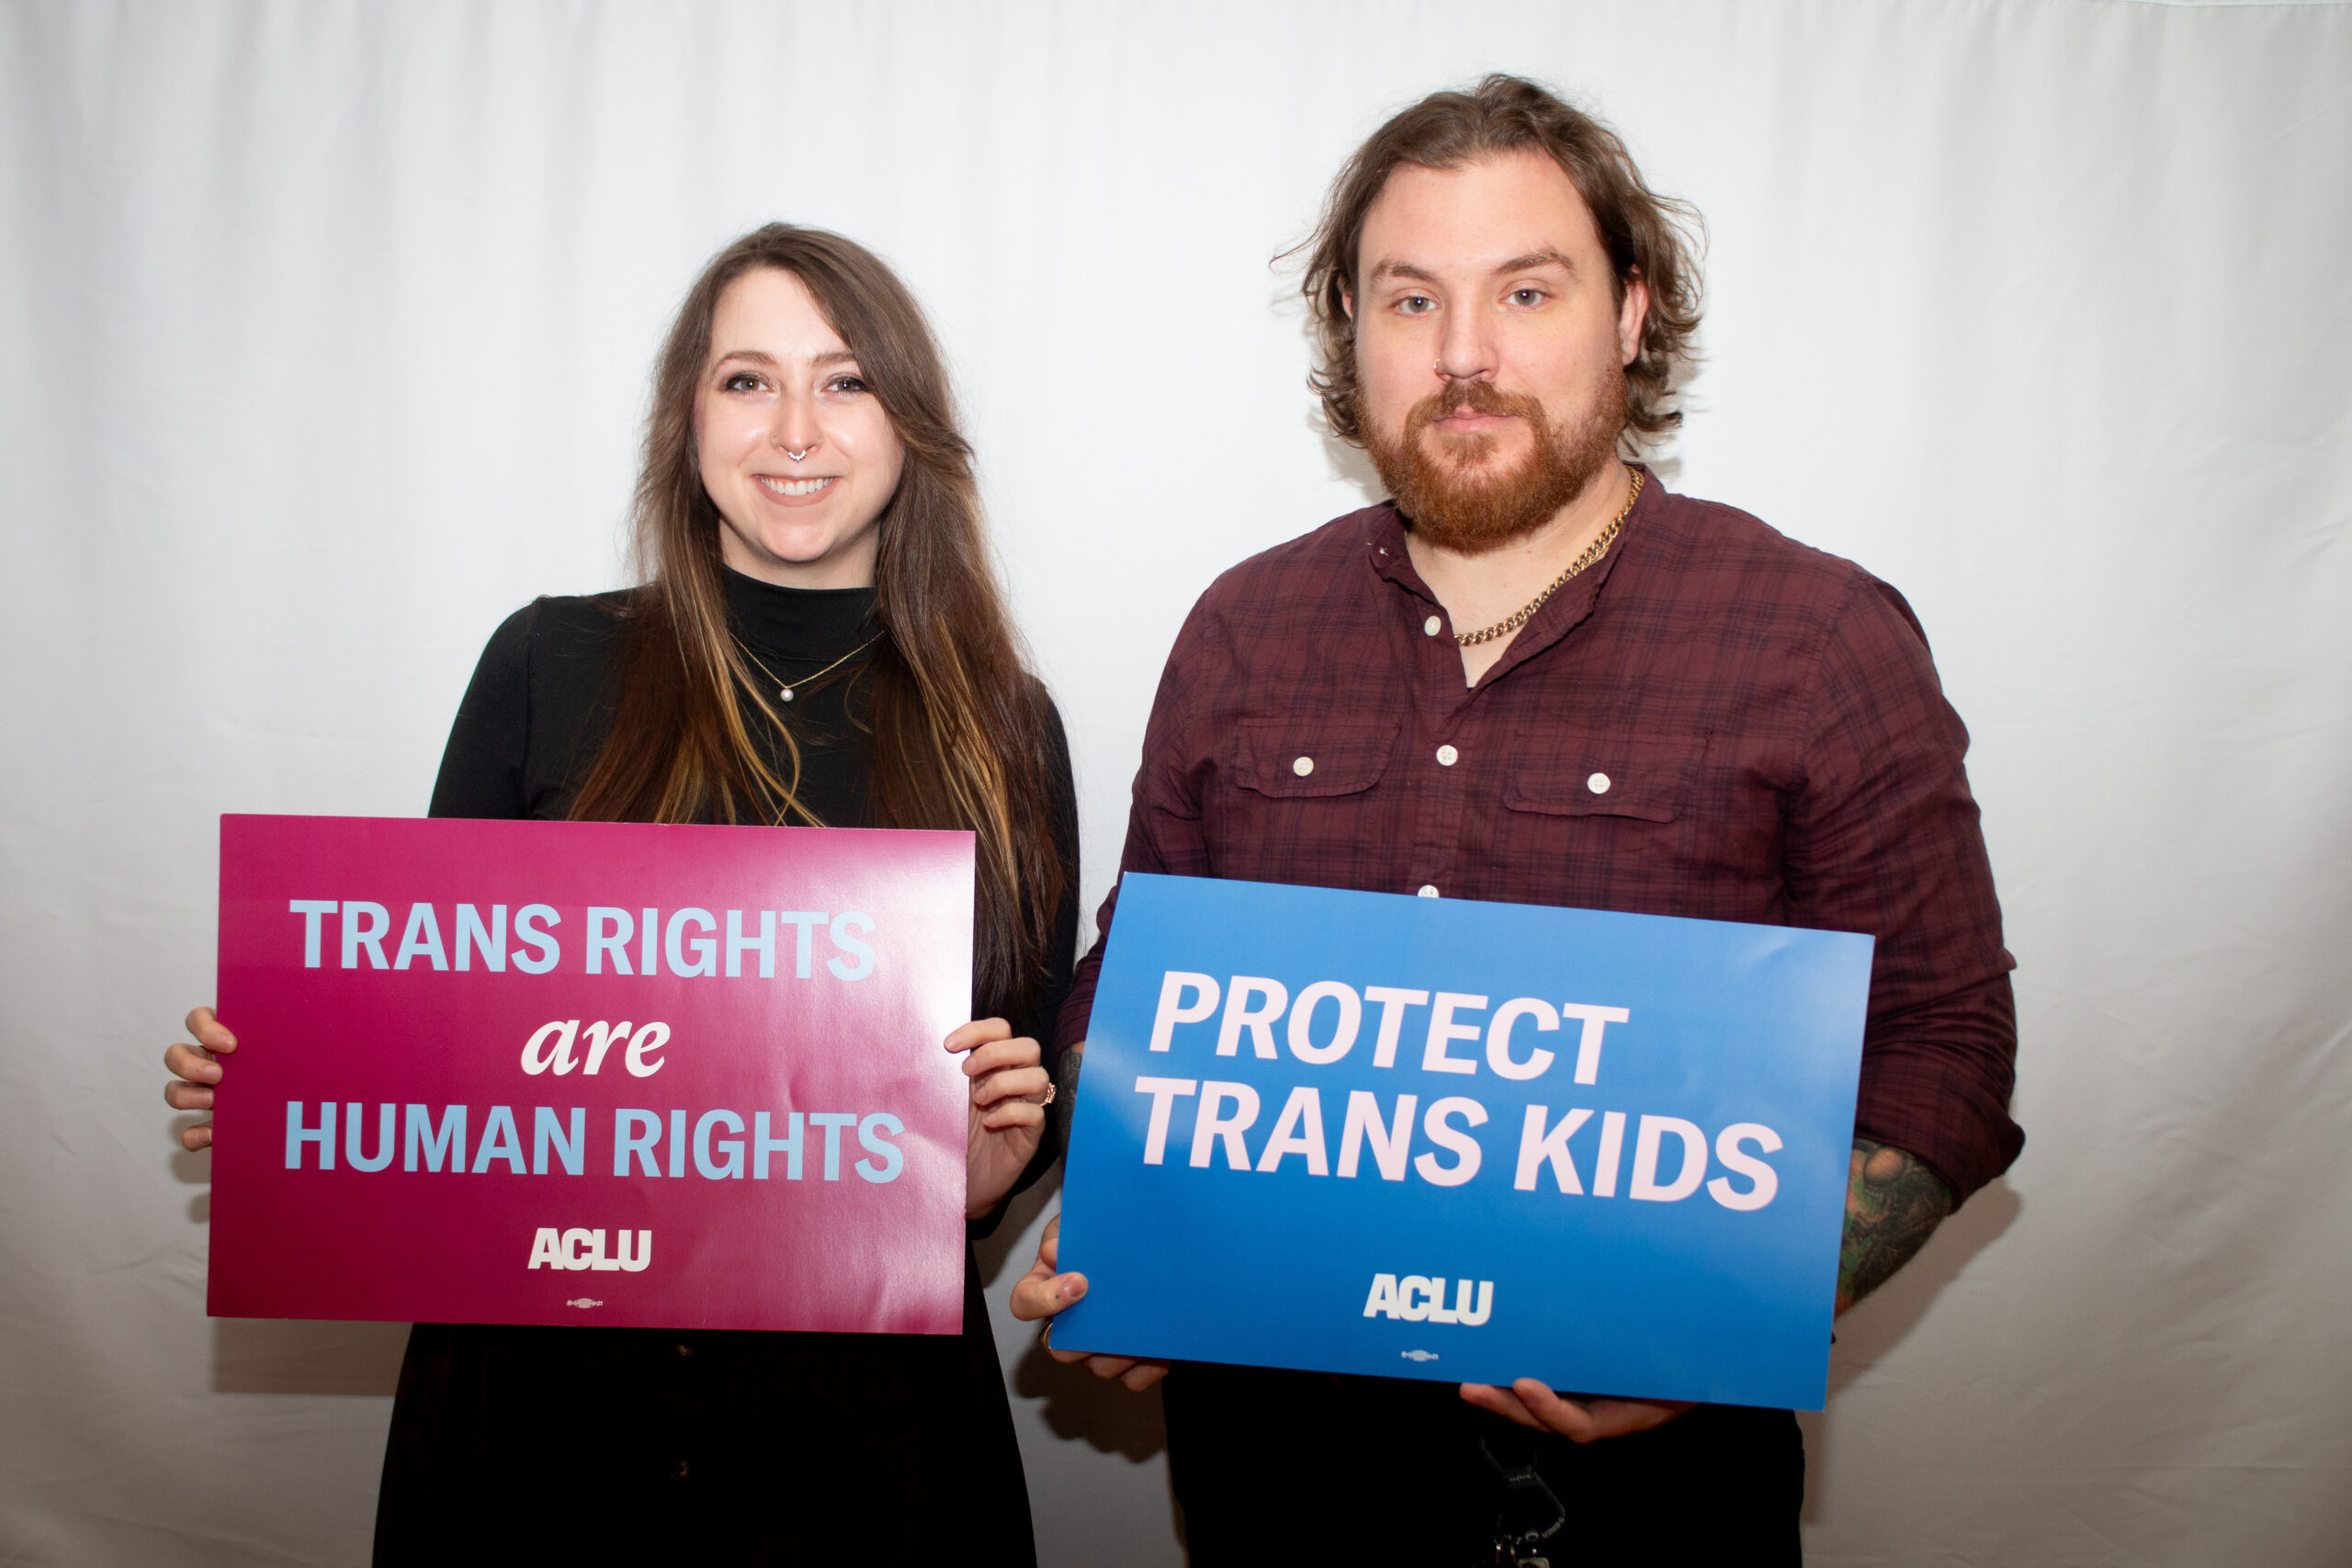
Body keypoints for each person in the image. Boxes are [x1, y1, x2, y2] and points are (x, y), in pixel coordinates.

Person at [1012, 75, 2022, 1563]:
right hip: (1273, 1482)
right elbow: (1135, 989)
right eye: (1410, 300)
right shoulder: (1243, 630)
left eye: (1527, 292)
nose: (1466, 357)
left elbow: (1944, 1052)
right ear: (1347, 329)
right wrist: (1135, 1235)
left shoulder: (1813, 637)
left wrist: (1719, 1326)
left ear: (1630, 310)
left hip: (1642, 1506)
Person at [162, 224, 1076, 1565]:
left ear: (908, 424)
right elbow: (437, 1029)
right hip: (534, 1424)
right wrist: (299, 1088)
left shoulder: (1001, 724)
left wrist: (987, 1177)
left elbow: (1023, 1037)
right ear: (687, 420)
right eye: (748, 380)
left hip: (859, 1438)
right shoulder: (549, 662)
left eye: (845, 380)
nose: (795, 430)